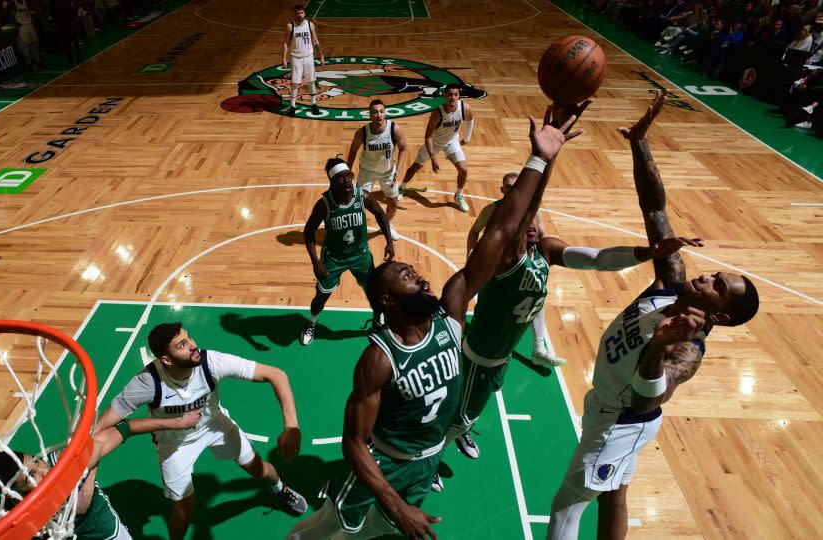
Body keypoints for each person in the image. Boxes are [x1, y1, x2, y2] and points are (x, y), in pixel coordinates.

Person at [287, 107, 584, 540]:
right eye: (409, 277)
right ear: (387, 299)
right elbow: (353, 443)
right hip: (385, 464)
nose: (423, 278)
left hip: (425, 463)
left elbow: (502, 232)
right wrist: (394, 503)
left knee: (384, 533)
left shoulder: (450, 316)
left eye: (418, 274)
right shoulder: (379, 359)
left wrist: (540, 160)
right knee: (319, 535)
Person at [546, 91, 760, 540]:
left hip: (620, 421)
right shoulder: (671, 282)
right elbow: (655, 209)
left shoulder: (687, 348)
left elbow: (651, 398)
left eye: (716, 286)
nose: (706, 276)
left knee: (567, 503)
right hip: (605, 406)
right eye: (714, 273)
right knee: (614, 494)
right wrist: (639, 142)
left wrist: (658, 348)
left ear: (718, 317)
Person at [444, 101, 695, 474]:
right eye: (525, 218)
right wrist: (546, 157)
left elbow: (596, 258)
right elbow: (526, 211)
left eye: (534, 219)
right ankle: (433, 454)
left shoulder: (545, 250)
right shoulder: (506, 256)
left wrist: (647, 252)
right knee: (458, 415)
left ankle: (460, 425)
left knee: (471, 407)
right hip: (480, 355)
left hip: (502, 353)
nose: (530, 222)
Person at [95, 322, 308, 539]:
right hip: (174, 445)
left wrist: (291, 425)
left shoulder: (210, 362)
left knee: (260, 469)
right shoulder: (147, 383)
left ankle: (279, 489)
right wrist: (173, 424)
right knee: (184, 512)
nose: (193, 346)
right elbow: (104, 425)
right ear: (166, 360)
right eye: (182, 345)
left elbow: (276, 375)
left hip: (216, 426)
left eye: (190, 339)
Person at [0, 413, 201, 538]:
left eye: (36, 461)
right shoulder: (5, 515)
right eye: (31, 474)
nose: (43, 470)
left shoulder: (65, 462)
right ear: (11, 494)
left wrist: (176, 423)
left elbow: (127, 428)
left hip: (103, 532)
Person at [466, 171, 563, 368]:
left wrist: (540, 265)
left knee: (535, 297)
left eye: (516, 186)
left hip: (523, 264)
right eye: (509, 188)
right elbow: (474, 230)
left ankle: (539, 349)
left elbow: (544, 238)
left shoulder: (533, 211)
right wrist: (470, 257)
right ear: (503, 190)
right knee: (487, 302)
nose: (513, 190)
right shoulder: (493, 210)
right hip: (497, 266)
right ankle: (472, 335)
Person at [299, 156, 395, 346]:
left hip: (361, 255)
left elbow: (380, 214)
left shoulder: (362, 196)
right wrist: (315, 262)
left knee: (373, 291)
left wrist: (389, 242)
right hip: (333, 259)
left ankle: (378, 319)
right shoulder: (324, 204)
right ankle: (312, 322)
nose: (347, 181)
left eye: (348, 176)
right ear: (332, 182)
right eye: (341, 178)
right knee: (322, 295)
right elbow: (308, 232)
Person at [398, 84, 476, 212]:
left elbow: (471, 119)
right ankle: (402, 187)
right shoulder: (437, 112)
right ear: (445, 95)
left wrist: (467, 138)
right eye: (450, 94)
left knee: (463, 169)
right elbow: (428, 136)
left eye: (455, 94)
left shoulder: (464, 108)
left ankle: (458, 195)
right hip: (435, 143)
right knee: (415, 167)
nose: (452, 97)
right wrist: (433, 158)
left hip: (452, 142)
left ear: (459, 96)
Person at [345, 100, 407, 240]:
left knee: (393, 203)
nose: (378, 115)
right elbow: (353, 150)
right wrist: (348, 170)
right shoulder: (362, 132)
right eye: (375, 112)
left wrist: (398, 170)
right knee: (358, 203)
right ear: (370, 115)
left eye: (381, 111)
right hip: (367, 171)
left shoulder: (394, 129)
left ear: (384, 113)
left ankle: (387, 225)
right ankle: (356, 228)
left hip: (389, 172)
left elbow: (403, 149)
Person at [282, 4, 325, 111]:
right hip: (296, 58)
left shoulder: (310, 25)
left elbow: (315, 41)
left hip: (309, 57)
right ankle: (292, 105)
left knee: (311, 81)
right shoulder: (290, 26)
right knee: (295, 83)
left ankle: (314, 104)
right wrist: (283, 58)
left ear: (304, 13)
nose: (299, 15)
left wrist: (321, 55)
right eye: (297, 13)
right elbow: (286, 43)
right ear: (295, 14)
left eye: (301, 13)